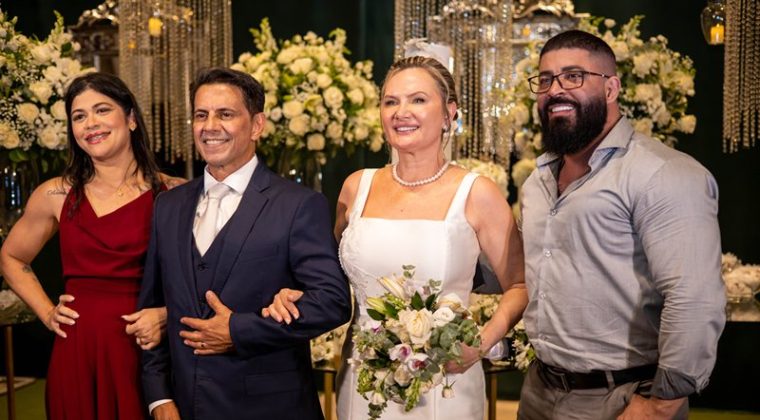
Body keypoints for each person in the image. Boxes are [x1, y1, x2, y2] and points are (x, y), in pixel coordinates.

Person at [263, 56, 527, 420]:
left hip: (445, 382)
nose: (401, 112)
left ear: (449, 113)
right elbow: (326, 279)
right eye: (391, 101)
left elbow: (519, 284)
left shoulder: (477, 192)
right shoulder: (357, 187)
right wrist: (293, 291)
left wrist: (480, 344)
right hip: (363, 381)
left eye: (418, 99)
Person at [517, 30, 725, 419]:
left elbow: (694, 298)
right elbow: (524, 271)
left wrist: (661, 406)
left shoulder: (662, 173)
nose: (555, 89)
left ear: (611, 88)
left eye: (573, 76)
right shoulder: (537, 180)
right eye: (545, 79)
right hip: (539, 392)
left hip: (622, 398)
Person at [138, 67, 352, 420]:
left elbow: (332, 302)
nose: (210, 126)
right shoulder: (168, 205)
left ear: (256, 125)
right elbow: (154, 305)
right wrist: (159, 397)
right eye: (201, 115)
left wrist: (239, 330)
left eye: (225, 114)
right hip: (184, 405)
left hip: (270, 408)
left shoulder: (298, 205)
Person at [0, 72, 180, 419]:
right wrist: (47, 312)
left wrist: (166, 314)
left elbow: (207, 277)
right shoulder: (55, 194)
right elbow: (11, 256)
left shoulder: (173, 192)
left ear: (130, 118)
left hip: (145, 351)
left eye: (102, 110)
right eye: (79, 116)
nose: (90, 124)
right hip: (77, 353)